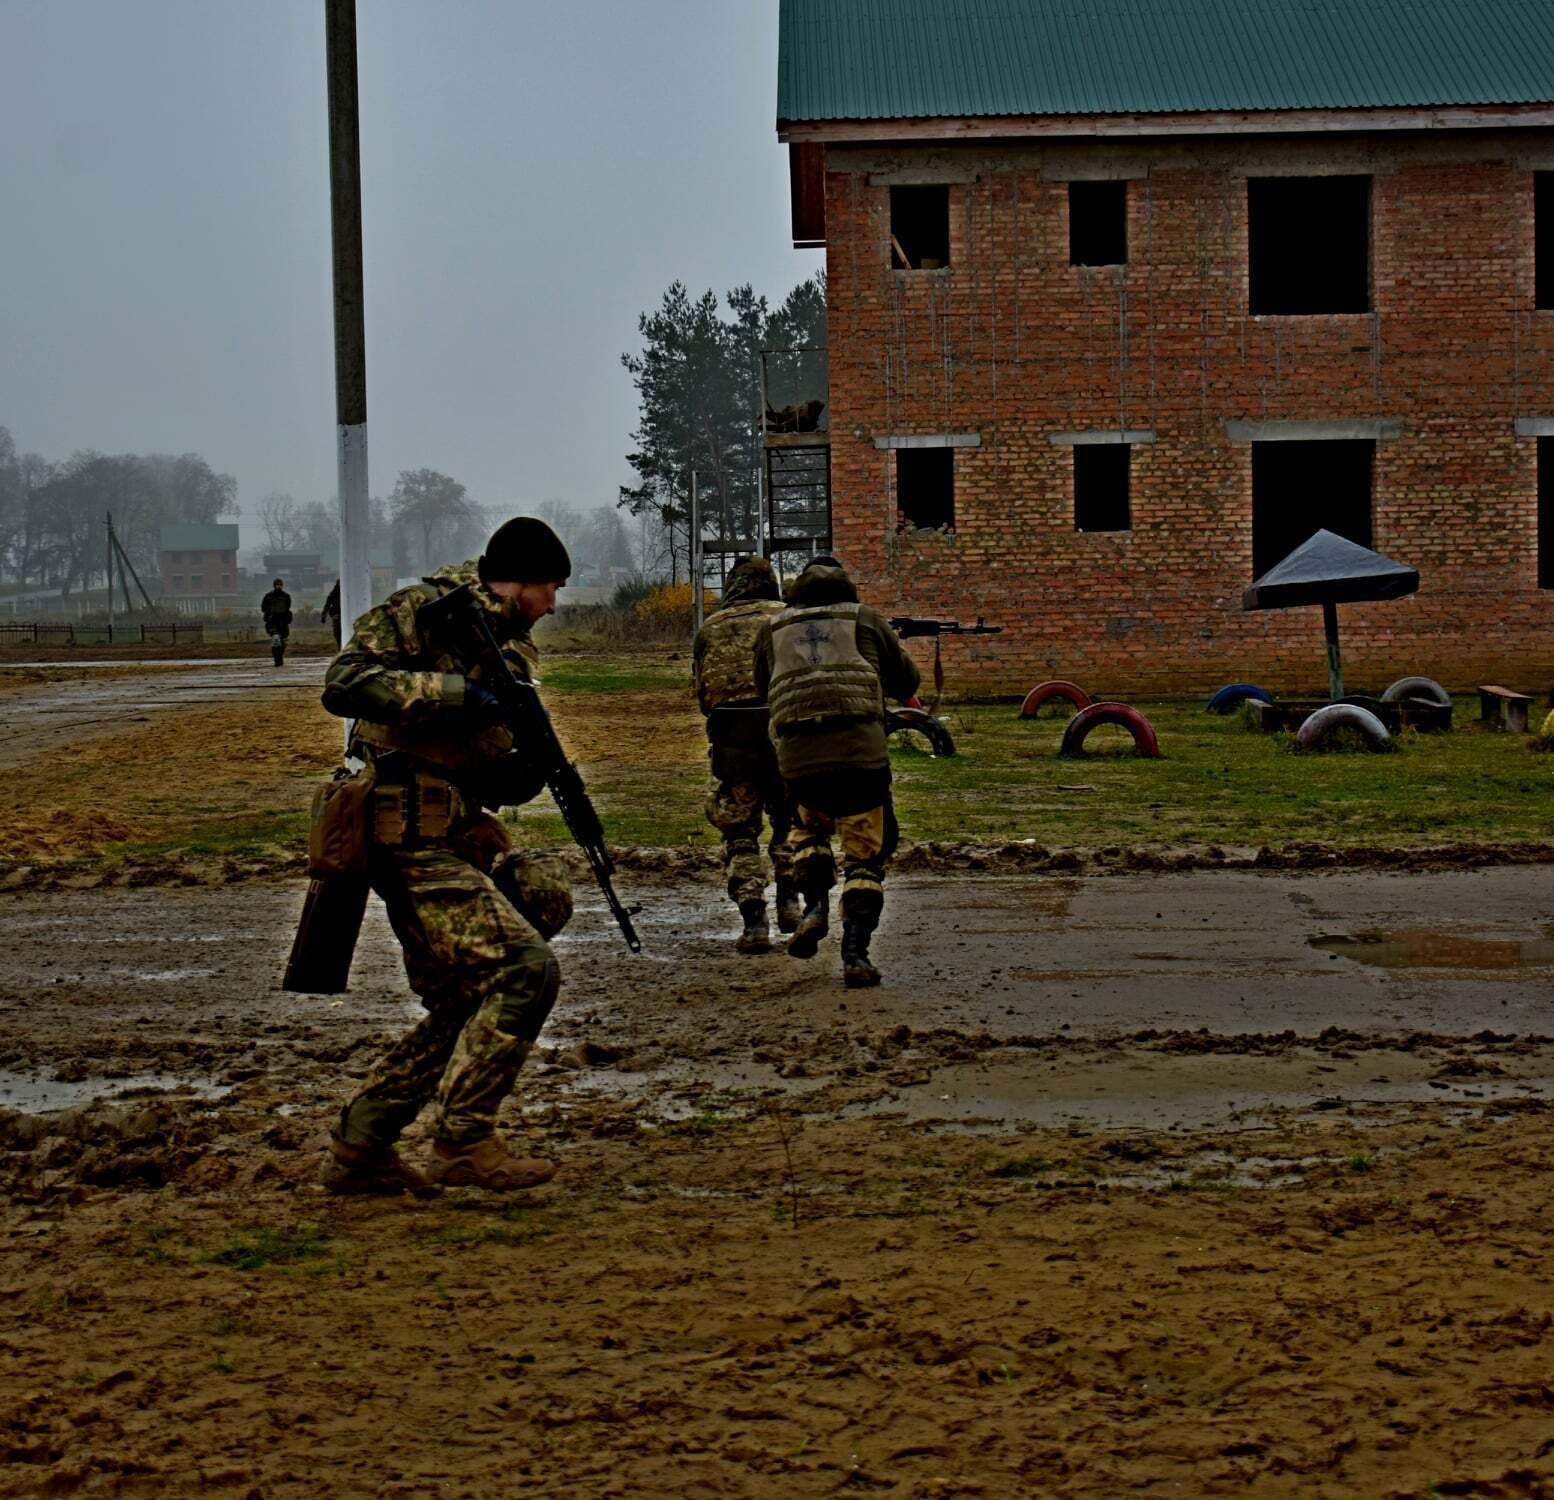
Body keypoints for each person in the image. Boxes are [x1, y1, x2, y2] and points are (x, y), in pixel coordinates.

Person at [317, 516, 575, 1195]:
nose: (553, 605)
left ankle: (364, 1142)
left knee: (488, 969)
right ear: (517, 581)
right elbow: (343, 681)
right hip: (403, 830)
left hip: (455, 831)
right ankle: (464, 1139)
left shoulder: (511, 648)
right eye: (549, 589)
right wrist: (455, 695)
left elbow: (481, 763)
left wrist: (520, 769)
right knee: (525, 969)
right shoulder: (422, 612)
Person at [754, 553, 920, 988]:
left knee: (808, 835)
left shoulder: (772, 629)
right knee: (867, 853)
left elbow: (763, 688)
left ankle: (814, 909)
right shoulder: (865, 619)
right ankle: (855, 954)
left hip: (800, 761)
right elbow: (907, 683)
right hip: (859, 758)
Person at [691, 556, 797, 953]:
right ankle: (791, 899)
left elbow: (704, 696)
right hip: (784, 741)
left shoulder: (710, 629)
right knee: (790, 824)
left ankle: (754, 920)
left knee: (739, 833)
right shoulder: (787, 618)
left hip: (734, 747)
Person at [260, 578, 292, 667]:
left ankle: (280, 659)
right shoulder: (268, 596)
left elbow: (288, 608)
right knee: (276, 640)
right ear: (274, 585)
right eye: (277, 584)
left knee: (283, 643)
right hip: (272, 622)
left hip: (283, 623)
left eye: (280, 584)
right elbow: (263, 608)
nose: (279, 586)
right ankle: (277, 660)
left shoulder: (286, 596)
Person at [321, 578, 342, 648]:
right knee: (338, 636)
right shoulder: (333, 593)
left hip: (346, 617)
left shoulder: (348, 592)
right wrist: (323, 616)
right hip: (337, 617)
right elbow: (327, 605)